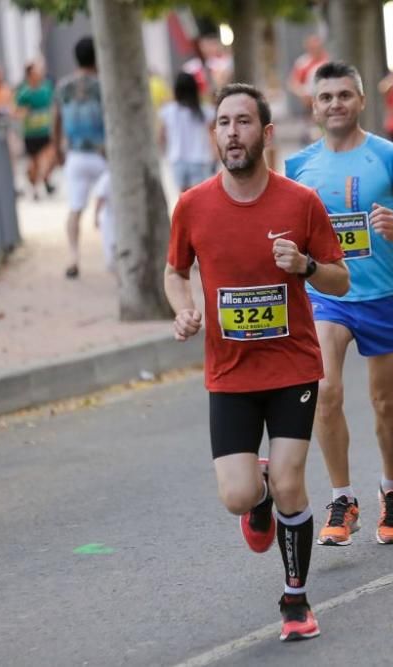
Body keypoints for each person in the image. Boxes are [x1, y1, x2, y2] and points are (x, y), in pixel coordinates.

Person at [164, 83, 349, 641]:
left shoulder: (300, 203)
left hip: (292, 364)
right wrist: (185, 308)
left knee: (294, 479)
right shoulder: (193, 205)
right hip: (231, 371)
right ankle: (260, 495)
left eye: (243, 122)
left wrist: (307, 266)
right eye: (223, 123)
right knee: (237, 497)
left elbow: (340, 278)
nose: (232, 133)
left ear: (265, 134)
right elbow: (175, 271)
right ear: (214, 134)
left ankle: (296, 598)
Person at [285, 62, 393, 548]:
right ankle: (343, 498)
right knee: (326, 391)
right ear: (314, 106)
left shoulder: (389, 157)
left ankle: (392, 489)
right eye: (326, 97)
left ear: (362, 101)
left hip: (383, 294)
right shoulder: (298, 167)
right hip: (326, 295)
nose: (336, 104)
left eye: (345, 95)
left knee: (386, 402)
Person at [52, 36, 107, 279]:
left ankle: (73, 257)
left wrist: (57, 151)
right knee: (110, 207)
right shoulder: (102, 85)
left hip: (74, 154)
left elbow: (55, 121)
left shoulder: (63, 87)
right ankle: (113, 255)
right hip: (102, 154)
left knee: (75, 208)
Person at [158, 72, 216, 193]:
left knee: (183, 199)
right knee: (199, 197)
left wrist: (163, 152)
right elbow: (212, 135)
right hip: (200, 159)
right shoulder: (204, 111)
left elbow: (162, 136)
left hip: (177, 159)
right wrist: (215, 156)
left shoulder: (168, 111)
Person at [15, 60, 57, 199]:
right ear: (29, 74)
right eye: (36, 71)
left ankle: (45, 179)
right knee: (34, 162)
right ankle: (34, 187)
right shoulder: (24, 93)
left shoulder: (46, 88)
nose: (39, 73)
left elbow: (52, 106)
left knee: (51, 157)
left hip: (45, 131)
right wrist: (24, 113)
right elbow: (18, 112)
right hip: (31, 133)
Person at [90, 171, 116, 273]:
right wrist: (96, 216)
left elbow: (99, 198)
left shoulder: (106, 177)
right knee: (111, 251)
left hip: (114, 219)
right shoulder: (107, 178)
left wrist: (95, 217)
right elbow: (100, 199)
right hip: (109, 219)